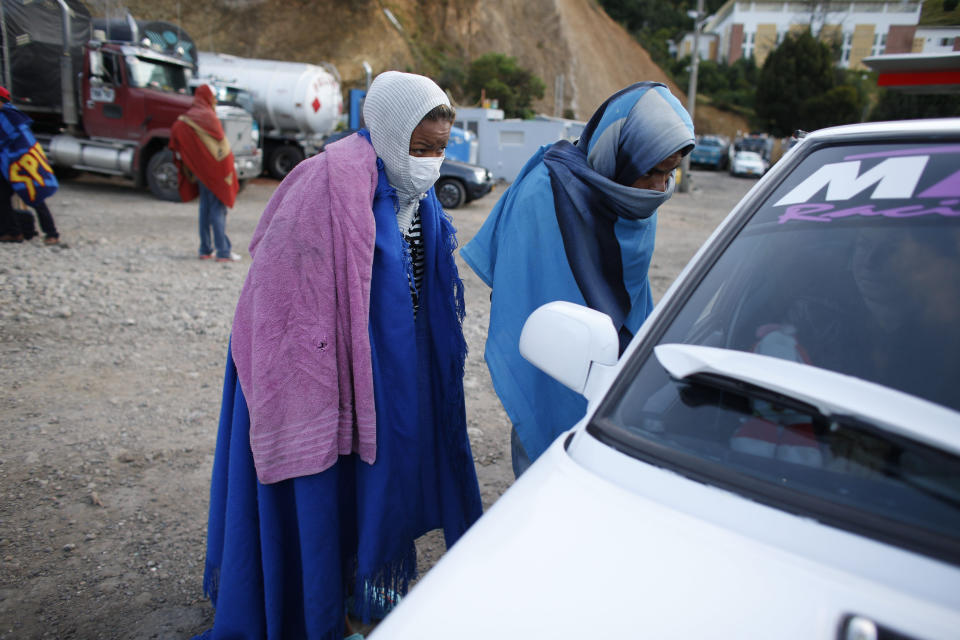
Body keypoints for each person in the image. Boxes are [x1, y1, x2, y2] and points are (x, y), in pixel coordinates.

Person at [193, 71, 483, 640]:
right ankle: (318, 612)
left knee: (377, 497)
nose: (428, 162)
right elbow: (276, 298)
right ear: (387, 132)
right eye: (418, 148)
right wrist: (317, 374)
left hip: (389, 376)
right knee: (327, 502)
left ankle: (363, 597)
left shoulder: (416, 202)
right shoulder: (321, 186)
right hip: (321, 378)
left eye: (439, 150)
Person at [460, 82, 695, 478]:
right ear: (618, 152)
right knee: (546, 438)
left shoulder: (630, 196)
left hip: (614, 351)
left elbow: (629, 288)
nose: (660, 188)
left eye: (670, 173)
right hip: (551, 356)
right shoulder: (545, 194)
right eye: (653, 171)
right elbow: (527, 294)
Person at [169, 84, 241, 262]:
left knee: (205, 210)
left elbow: (178, 141)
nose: (215, 101)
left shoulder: (185, 119)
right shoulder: (208, 117)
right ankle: (223, 251)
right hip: (217, 173)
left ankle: (205, 249)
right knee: (218, 210)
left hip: (200, 173)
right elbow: (221, 148)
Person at [0, 86, 61, 244]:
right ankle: (13, 232)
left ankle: (52, 233)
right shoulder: (8, 115)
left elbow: (15, 141)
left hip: (22, 164)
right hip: (7, 165)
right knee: (2, 197)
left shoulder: (9, 116)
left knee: (34, 196)